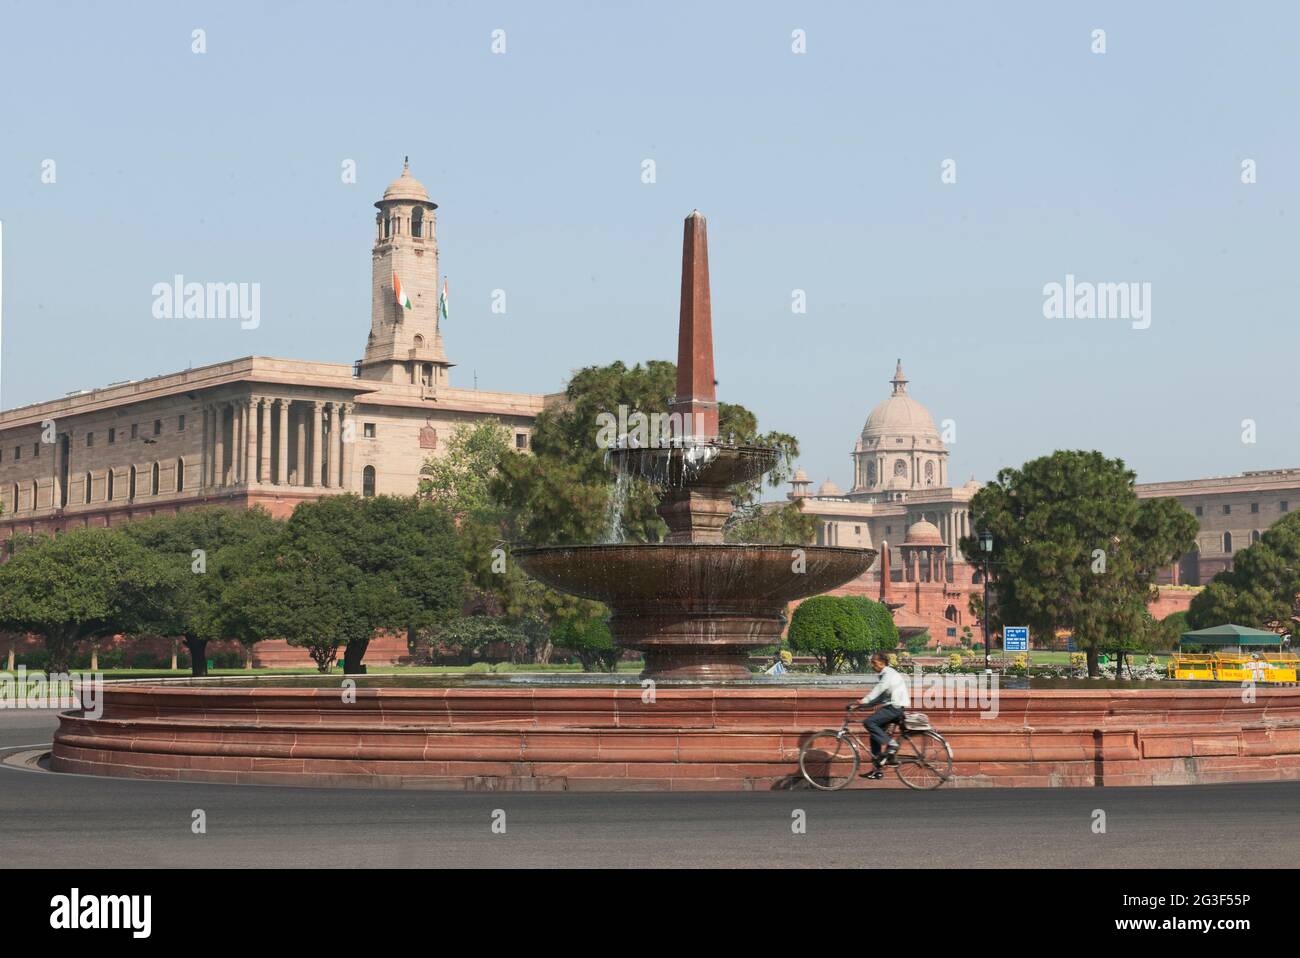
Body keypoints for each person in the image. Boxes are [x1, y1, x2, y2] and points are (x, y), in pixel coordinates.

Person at [852, 651, 910, 780]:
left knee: (869, 723)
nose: (872, 665)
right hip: (893, 706)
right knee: (875, 736)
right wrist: (863, 705)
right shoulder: (887, 673)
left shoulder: (888, 674)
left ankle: (892, 744)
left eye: (874, 662)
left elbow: (880, 688)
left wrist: (865, 700)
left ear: (882, 663)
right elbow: (881, 697)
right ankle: (877, 770)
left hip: (894, 707)